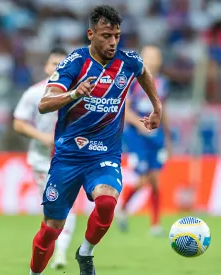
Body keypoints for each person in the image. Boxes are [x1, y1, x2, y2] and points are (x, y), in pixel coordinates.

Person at [29, 5, 162, 275]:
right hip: (67, 157)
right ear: (91, 34)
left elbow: (143, 71)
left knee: (106, 202)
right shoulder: (74, 63)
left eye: (116, 35)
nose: (112, 42)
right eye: (105, 36)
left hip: (104, 155)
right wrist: (74, 94)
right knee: (51, 229)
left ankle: (85, 252)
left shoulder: (127, 61)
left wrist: (156, 107)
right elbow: (44, 104)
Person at [13, 47, 76, 269]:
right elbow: (19, 123)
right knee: (54, 210)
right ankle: (49, 253)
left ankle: (60, 253)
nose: (57, 68)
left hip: (69, 160)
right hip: (42, 161)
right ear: (46, 67)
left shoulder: (77, 93)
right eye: (53, 64)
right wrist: (43, 137)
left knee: (67, 207)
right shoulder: (33, 93)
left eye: (62, 64)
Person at [119, 45, 172, 237]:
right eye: (148, 56)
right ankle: (123, 209)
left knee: (156, 181)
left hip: (155, 135)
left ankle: (155, 224)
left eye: (156, 56)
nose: (153, 60)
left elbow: (162, 110)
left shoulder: (163, 83)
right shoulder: (133, 81)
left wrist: (167, 137)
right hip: (136, 134)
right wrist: (140, 126)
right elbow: (125, 109)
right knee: (143, 180)